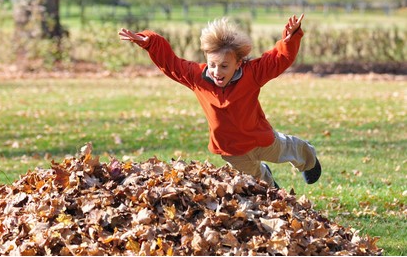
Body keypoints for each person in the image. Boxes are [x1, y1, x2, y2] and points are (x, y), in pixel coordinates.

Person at [118, 14, 321, 188]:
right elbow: (170, 62)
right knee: (257, 181)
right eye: (213, 65)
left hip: (260, 138)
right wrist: (148, 41)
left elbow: (279, 58)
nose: (217, 71)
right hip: (231, 149)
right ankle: (270, 185)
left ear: (237, 63)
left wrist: (290, 37)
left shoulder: (252, 74)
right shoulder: (197, 77)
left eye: (224, 66)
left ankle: (309, 159)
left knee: (288, 150)